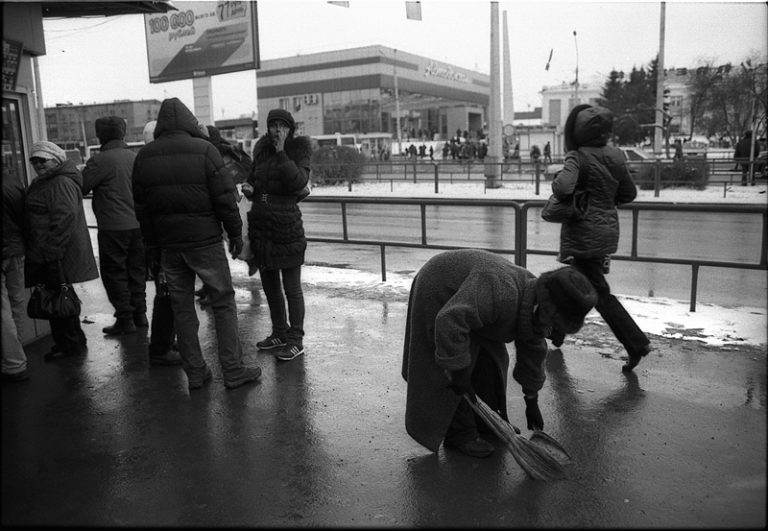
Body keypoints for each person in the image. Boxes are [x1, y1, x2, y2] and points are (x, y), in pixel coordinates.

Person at [402, 249, 597, 458]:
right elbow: (449, 321)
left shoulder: (534, 307)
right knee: (450, 368)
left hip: (472, 301)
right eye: (554, 324)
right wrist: (457, 370)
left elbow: (533, 348)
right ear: (546, 308)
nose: (551, 332)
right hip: (440, 289)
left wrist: (531, 400)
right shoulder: (501, 293)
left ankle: (488, 423)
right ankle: (461, 434)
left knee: (490, 363)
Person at [132, 97, 261, 390]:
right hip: (205, 243)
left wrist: (154, 247)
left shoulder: (145, 157)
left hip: (169, 247)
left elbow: (143, 211)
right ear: (189, 121)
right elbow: (226, 200)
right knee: (224, 302)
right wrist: (236, 236)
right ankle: (233, 370)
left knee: (182, 307)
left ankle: (196, 373)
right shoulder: (205, 150)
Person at [547, 104, 651, 372]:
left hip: (583, 233)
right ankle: (557, 332)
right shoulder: (615, 156)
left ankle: (636, 343)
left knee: (597, 293)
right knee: (580, 284)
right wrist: (603, 199)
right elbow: (628, 194)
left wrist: (561, 179)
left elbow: (563, 187)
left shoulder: (577, 157)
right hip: (605, 232)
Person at [241, 109, 311, 362]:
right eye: (274, 125)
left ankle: (295, 340)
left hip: (286, 226)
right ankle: (279, 332)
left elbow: (297, 181)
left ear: (290, 129)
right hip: (262, 224)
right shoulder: (261, 150)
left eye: (283, 125)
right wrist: (250, 188)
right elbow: (253, 178)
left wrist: (282, 151)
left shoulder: (298, 150)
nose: (277, 130)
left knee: (292, 287)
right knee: (270, 285)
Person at [24, 141, 99, 361]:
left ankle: (69, 344)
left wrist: (51, 250)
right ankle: (72, 340)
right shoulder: (47, 181)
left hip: (53, 252)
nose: (38, 165)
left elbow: (64, 218)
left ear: (55, 160)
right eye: (34, 161)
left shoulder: (59, 183)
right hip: (50, 250)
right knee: (61, 295)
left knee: (58, 298)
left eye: (42, 160)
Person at [81, 116, 147, 336]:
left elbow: (82, 187)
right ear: (123, 133)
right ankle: (141, 315)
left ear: (100, 135)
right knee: (136, 272)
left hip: (113, 227)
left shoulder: (100, 161)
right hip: (138, 227)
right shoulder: (135, 157)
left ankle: (125, 319)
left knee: (114, 273)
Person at [137, 120, 181, 367]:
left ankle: (166, 342)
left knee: (167, 294)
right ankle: (161, 348)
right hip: (164, 242)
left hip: (156, 242)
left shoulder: (144, 164)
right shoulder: (156, 167)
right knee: (166, 296)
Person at [194, 125, 254, 305]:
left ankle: (216, 291)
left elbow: (244, 170)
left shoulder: (220, 152)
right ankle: (209, 287)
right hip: (215, 206)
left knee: (221, 248)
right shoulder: (212, 151)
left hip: (225, 203)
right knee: (215, 249)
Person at [2, 175, 29, 381]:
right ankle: (18, 353)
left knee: (3, 311)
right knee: (17, 303)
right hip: (16, 249)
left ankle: (13, 363)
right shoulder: (13, 181)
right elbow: (25, 217)